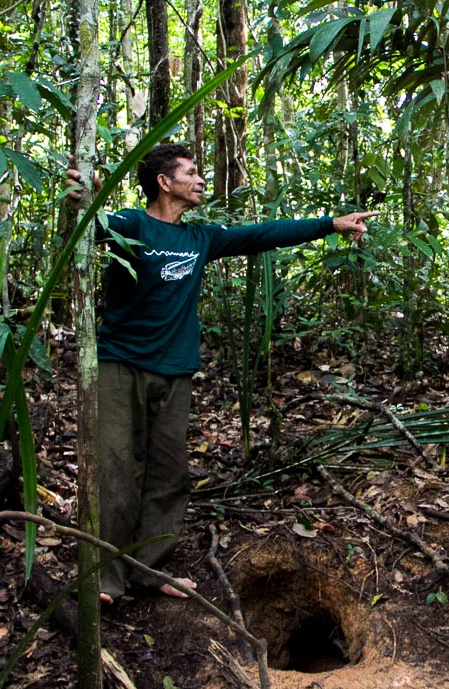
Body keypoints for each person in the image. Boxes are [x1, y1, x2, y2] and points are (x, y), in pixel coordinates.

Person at [67, 144, 378, 604]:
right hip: (120, 365)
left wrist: (330, 224)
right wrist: (84, 200)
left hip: (175, 370)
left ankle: (148, 570)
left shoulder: (201, 238)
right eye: (190, 173)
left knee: (169, 475)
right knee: (116, 471)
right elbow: (91, 230)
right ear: (164, 182)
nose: (200, 180)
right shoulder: (132, 224)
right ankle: (104, 577)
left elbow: (262, 234)